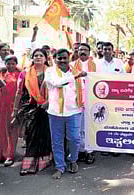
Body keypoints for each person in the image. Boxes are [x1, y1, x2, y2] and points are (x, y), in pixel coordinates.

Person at [44, 48, 87, 179]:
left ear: (69, 58)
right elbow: (57, 84)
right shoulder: (50, 71)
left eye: (64, 58)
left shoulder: (75, 70)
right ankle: (59, 167)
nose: (62, 60)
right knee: (57, 141)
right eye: (59, 58)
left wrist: (83, 102)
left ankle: (73, 160)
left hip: (74, 111)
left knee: (74, 138)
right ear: (54, 59)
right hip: (55, 112)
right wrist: (76, 76)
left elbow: (83, 89)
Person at [12, 48, 52, 175]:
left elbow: (57, 91)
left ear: (46, 58)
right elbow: (19, 92)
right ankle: (28, 164)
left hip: (48, 107)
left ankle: (43, 162)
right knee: (31, 136)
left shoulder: (51, 72)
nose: (38, 57)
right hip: (30, 108)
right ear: (32, 58)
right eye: (36, 55)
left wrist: (48, 103)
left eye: (41, 55)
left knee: (44, 136)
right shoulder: (25, 73)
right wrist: (15, 110)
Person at [0, 55, 20, 166]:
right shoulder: (0, 74)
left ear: (16, 64)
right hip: (0, 106)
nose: (11, 66)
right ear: (5, 64)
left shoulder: (20, 74)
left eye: (13, 63)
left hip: (13, 107)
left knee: (11, 132)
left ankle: (9, 155)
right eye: (8, 63)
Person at [71, 43, 96, 164]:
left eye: (85, 50)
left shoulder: (96, 66)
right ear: (77, 52)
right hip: (77, 101)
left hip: (92, 100)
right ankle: (80, 150)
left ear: (89, 52)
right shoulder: (72, 66)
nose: (83, 52)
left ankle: (89, 151)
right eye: (81, 50)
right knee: (78, 127)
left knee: (89, 127)